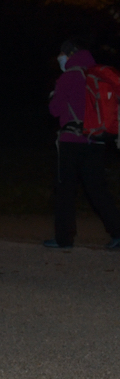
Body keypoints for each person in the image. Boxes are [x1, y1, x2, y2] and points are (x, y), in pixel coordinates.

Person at [44, 38, 120, 250]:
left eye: (62, 54)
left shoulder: (69, 77)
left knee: (65, 190)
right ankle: (117, 231)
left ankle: (64, 238)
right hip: (96, 140)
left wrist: (53, 96)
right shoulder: (97, 75)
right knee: (97, 189)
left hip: (71, 141)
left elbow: (55, 110)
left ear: (69, 54)